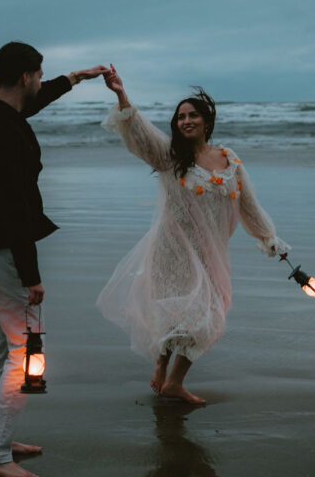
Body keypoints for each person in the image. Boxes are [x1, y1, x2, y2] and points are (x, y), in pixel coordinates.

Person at [0, 41, 107, 477]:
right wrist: (32, 275)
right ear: (25, 77)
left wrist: (76, 78)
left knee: (0, 348)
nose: (41, 82)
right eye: (40, 75)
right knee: (26, 350)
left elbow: (28, 109)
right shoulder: (4, 127)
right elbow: (14, 206)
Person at [97, 65, 289, 405]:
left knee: (207, 317)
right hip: (172, 250)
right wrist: (121, 94)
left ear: (206, 121)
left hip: (210, 254)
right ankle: (161, 363)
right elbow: (140, 134)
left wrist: (269, 238)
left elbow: (248, 204)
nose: (186, 121)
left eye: (193, 116)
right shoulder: (170, 157)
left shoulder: (229, 160)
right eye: (180, 117)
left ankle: (174, 381)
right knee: (179, 314)